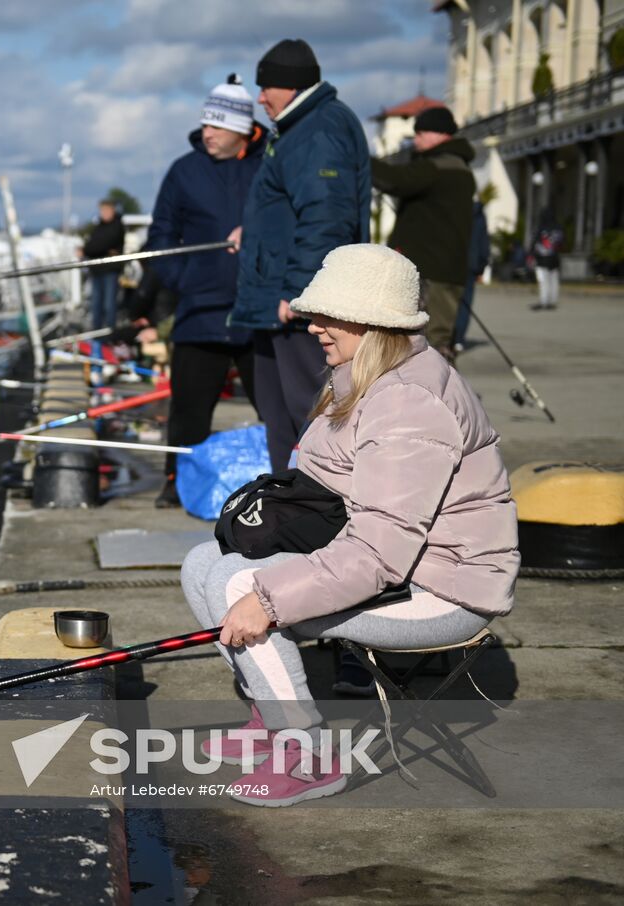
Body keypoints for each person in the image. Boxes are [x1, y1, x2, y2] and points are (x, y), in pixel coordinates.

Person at [179, 244, 519, 806]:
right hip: (398, 565)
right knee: (203, 565)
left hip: (445, 588)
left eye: (328, 315)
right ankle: (272, 718)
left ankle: (309, 758)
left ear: (373, 322)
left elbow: (380, 553)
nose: (312, 326)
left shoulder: (409, 403)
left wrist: (271, 597)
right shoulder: (363, 375)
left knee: (242, 586)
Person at [228, 38, 371, 473]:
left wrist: (298, 293)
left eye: (265, 87)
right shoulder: (297, 129)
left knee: (309, 410)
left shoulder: (320, 128)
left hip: (295, 304)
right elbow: (291, 206)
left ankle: (317, 510)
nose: (260, 98)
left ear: (289, 87)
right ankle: (284, 506)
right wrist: (250, 231)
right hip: (274, 301)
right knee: (279, 413)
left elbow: (326, 217)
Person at [139, 75, 265, 508]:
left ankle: (295, 483)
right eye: (205, 124)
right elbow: (159, 237)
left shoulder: (273, 163)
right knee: (188, 411)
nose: (205, 133)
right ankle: (175, 482)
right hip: (200, 311)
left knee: (279, 409)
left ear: (243, 129)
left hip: (260, 311)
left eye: (217, 126)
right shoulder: (184, 170)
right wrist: (183, 280)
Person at [370, 106, 476, 363]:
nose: (415, 139)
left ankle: (440, 398)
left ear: (441, 134)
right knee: (432, 342)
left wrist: (361, 159)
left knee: (428, 345)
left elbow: (396, 180)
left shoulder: (441, 166)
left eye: (421, 132)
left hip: (433, 272)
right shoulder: (457, 166)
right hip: (445, 269)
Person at [83, 200, 126, 331]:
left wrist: (90, 249)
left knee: (109, 304)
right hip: (97, 270)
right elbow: (92, 246)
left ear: (112, 210)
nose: (104, 213)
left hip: (110, 270)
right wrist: (94, 249)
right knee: (96, 305)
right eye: (102, 210)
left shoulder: (117, 226)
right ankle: (97, 334)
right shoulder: (99, 227)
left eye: (107, 210)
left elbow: (99, 244)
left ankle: (110, 334)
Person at [454, 199, 491, 351]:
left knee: (449, 300)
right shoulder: (478, 215)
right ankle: (458, 339)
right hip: (470, 264)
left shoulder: (455, 209)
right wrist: (481, 265)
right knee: (465, 304)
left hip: (453, 262)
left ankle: (448, 337)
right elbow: (484, 243)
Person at [531, 208, 565, 310]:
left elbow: (535, 242)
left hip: (542, 259)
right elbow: (562, 243)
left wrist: (531, 254)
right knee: (554, 280)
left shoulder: (542, 228)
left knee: (543, 281)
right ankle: (552, 301)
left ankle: (544, 300)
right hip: (554, 258)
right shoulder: (559, 228)